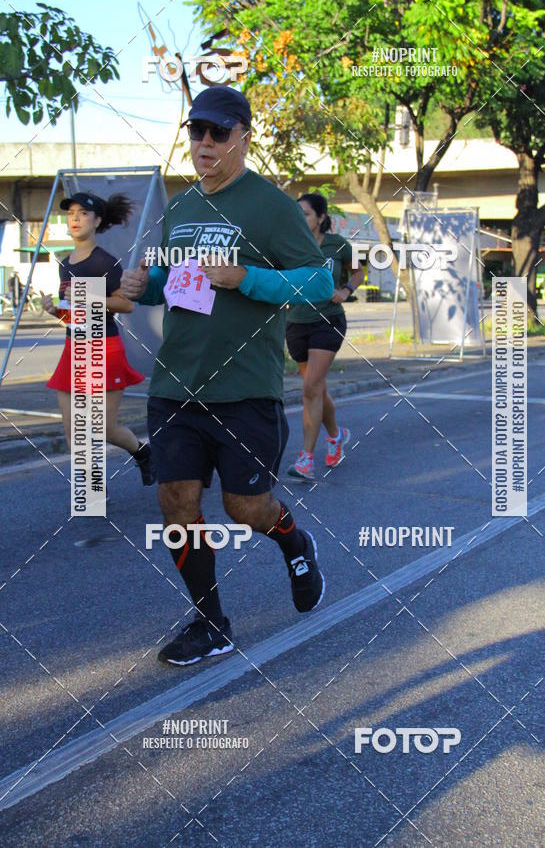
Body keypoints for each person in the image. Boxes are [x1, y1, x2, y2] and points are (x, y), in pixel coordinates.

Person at [120, 86, 334, 667]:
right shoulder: (182, 207)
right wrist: (147, 286)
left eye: (218, 132)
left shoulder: (270, 206)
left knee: (246, 507)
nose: (205, 143)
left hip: (243, 389)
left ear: (244, 136)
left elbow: (319, 282)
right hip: (175, 385)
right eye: (197, 132)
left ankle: (294, 540)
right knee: (176, 502)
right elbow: (177, 283)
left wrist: (247, 278)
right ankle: (211, 622)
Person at [42, 192, 156, 485]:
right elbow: (76, 315)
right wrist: (55, 311)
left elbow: (125, 305)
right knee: (74, 430)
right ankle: (91, 490)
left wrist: (88, 297)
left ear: (97, 221)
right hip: (73, 347)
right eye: (71, 214)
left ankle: (142, 452)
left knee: (103, 428)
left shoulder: (104, 262)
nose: (75, 219)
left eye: (83, 213)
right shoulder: (65, 263)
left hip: (103, 348)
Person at [285, 193, 364, 480]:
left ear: (320, 217)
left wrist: (345, 291)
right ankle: (336, 435)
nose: (300, 219)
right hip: (296, 322)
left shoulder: (338, 244)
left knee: (310, 388)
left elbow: (358, 272)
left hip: (328, 321)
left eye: (305, 214)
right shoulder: (290, 244)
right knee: (317, 388)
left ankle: (305, 460)